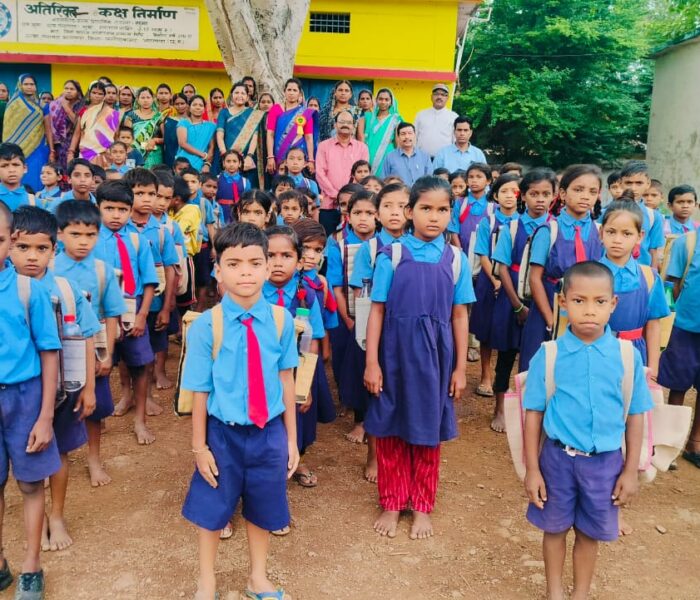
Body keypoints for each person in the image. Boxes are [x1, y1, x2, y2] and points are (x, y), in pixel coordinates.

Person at [180, 222, 299, 600]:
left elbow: (287, 380)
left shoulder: (281, 320)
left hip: (269, 433)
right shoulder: (207, 326)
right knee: (212, 508)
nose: (245, 272)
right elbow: (199, 390)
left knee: (264, 506)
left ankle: (258, 578)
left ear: (267, 267)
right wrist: (199, 447)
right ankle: (207, 581)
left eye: (254, 263)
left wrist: (291, 440)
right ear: (217, 271)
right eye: (233, 264)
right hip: (222, 434)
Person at [523, 261, 652, 600]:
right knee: (554, 529)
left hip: (605, 464)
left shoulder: (627, 357)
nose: (590, 311)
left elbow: (635, 416)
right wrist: (532, 469)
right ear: (563, 302)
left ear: (613, 304)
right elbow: (533, 414)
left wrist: (630, 471)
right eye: (579, 301)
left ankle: (580, 594)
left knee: (589, 533)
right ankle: (554, 592)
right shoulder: (549, 355)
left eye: (599, 301)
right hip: (557, 461)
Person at [363, 176, 473, 539]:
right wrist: (372, 362)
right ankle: (393, 501)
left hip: (435, 360)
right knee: (391, 427)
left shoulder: (455, 259)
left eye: (442, 210)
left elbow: (460, 315)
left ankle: (423, 505)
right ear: (410, 212)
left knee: (428, 430)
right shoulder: (391, 256)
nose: (434, 217)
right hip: (394, 354)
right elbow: (377, 310)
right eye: (426, 208)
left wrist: (460, 368)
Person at [10, 206, 100, 553]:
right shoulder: (7, 290)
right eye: (23, 248)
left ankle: (57, 515)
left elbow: (87, 334)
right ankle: (34, 517)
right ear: (9, 244)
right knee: (25, 457)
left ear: (53, 249)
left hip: (62, 389)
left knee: (59, 452)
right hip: (17, 392)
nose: (32, 257)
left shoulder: (64, 288)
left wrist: (89, 387)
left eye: (41, 248)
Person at [0, 200, 62, 600]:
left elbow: (49, 353)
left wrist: (45, 417)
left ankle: (31, 565)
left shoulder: (28, 290)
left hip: (24, 398)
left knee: (29, 484)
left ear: (10, 240)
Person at [54, 200, 125, 487]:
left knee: (93, 410)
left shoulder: (102, 270)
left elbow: (112, 314)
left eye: (90, 235)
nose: (83, 242)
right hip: (56, 349)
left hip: (92, 347)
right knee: (57, 406)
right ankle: (55, 460)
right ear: (59, 234)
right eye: (75, 234)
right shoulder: (50, 267)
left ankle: (94, 459)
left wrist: (107, 355)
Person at [345, 183, 409, 482]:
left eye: (402, 206)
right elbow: (360, 292)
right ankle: (373, 454)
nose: (395, 213)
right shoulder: (369, 249)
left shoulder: (415, 245)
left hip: (407, 331)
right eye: (387, 207)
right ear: (378, 214)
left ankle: (400, 452)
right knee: (375, 393)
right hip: (375, 329)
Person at [93, 180, 159, 445]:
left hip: (132, 308)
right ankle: (99, 416)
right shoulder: (91, 240)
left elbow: (150, 282)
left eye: (122, 209)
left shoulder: (137, 240)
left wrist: (143, 316)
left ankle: (140, 420)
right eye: (109, 208)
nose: (116, 215)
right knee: (102, 365)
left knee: (140, 365)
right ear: (98, 208)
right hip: (99, 313)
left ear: (130, 211)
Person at [520, 165, 604, 371]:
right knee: (543, 369)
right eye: (578, 189)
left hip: (587, 312)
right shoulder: (549, 230)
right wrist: (551, 319)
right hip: (549, 307)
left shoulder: (600, 231)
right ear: (563, 194)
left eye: (592, 191)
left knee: (580, 370)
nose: (585, 196)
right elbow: (535, 278)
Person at [262, 225, 325, 494]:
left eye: (286, 256)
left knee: (300, 417)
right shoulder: (252, 293)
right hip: (262, 370)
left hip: (300, 370)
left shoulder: (306, 294)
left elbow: (314, 338)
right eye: (270, 255)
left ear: (299, 262)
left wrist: (305, 385)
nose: (278, 263)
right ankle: (269, 465)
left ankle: (298, 459)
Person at [491, 171, 550, 433]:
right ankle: (500, 408)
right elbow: (502, 268)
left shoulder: (553, 228)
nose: (540, 199)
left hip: (543, 299)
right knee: (506, 355)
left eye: (546, 194)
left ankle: (534, 410)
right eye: (534, 194)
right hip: (512, 296)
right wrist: (517, 305)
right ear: (522, 196)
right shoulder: (512, 228)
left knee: (540, 357)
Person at [120, 169, 179, 418]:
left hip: (154, 303)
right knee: (125, 354)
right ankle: (126, 394)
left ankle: (147, 396)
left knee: (149, 353)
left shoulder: (162, 230)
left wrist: (166, 306)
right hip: (124, 303)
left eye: (151, 194)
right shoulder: (119, 227)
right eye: (139, 193)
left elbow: (171, 269)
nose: (147, 199)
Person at [470, 174, 520, 418]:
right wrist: (496, 280)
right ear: (496, 195)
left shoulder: (522, 222)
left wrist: (507, 282)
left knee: (509, 331)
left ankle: (506, 378)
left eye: (514, 191)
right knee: (486, 330)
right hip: (489, 283)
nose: (510, 195)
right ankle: (485, 374)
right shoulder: (487, 222)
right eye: (504, 191)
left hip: (514, 284)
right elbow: (482, 255)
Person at [327, 191, 378, 390]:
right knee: (345, 360)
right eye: (357, 213)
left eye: (369, 213)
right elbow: (337, 289)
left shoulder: (384, 245)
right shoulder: (338, 247)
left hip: (378, 315)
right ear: (348, 216)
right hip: (346, 316)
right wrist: (350, 322)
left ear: (377, 215)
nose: (363, 218)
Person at [658, 228, 700, 468]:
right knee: (678, 384)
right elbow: (672, 283)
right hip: (684, 326)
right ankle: (669, 445)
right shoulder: (688, 242)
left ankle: (694, 443)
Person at [315, 111, 369, 234]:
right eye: (342, 122)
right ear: (335, 125)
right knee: (329, 240)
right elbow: (320, 173)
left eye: (349, 122)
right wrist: (337, 195)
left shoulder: (362, 148)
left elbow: (363, 175)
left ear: (353, 126)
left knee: (353, 240)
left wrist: (349, 197)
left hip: (355, 206)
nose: (345, 125)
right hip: (329, 205)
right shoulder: (323, 146)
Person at [2, 74, 52, 192]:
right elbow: (8, 127)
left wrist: (52, 149)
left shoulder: (41, 105)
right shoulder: (13, 104)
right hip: (16, 149)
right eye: (26, 84)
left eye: (32, 84)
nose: (29, 87)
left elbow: (47, 127)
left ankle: (35, 200)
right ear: (20, 85)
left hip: (38, 148)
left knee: (37, 177)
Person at [616, 160, 664, 269]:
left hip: (641, 270)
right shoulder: (607, 212)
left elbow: (653, 250)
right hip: (611, 271)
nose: (633, 188)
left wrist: (652, 275)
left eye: (639, 183)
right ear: (620, 183)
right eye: (628, 183)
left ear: (648, 184)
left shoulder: (653, 216)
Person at [266, 78, 317, 176]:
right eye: (289, 90)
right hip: (279, 154)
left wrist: (311, 160)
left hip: (299, 155)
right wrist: (270, 156)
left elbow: (308, 137)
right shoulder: (275, 109)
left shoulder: (305, 113)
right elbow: (270, 134)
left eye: (295, 90)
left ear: (299, 93)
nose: (291, 93)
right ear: (284, 92)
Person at [216, 82, 263, 185]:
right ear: (231, 95)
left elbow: (254, 137)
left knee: (246, 186)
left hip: (246, 157)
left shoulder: (253, 114)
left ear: (247, 97)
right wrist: (224, 154)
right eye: (236, 93)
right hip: (226, 156)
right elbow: (219, 135)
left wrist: (249, 156)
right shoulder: (224, 112)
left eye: (243, 93)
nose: (239, 95)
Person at [68, 81, 120, 168]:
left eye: (100, 94)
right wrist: (71, 152)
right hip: (86, 152)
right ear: (89, 94)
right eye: (94, 93)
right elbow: (77, 134)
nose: (97, 96)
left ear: (104, 96)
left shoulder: (112, 114)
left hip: (105, 154)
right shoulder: (83, 111)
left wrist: (116, 152)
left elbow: (116, 135)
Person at [168, 176, 201, 312]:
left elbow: (177, 231)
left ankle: (185, 321)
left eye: (166, 198)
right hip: (170, 258)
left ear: (176, 199)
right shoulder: (170, 211)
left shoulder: (192, 210)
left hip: (185, 258)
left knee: (184, 296)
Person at [357, 88, 402, 176]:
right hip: (368, 154)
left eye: (386, 99)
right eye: (380, 99)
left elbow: (398, 143)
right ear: (376, 100)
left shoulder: (395, 119)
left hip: (387, 154)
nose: (383, 102)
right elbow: (361, 140)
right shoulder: (367, 117)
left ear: (391, 102)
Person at [123, 87, 165, 169]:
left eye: (148, 97)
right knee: (132, 174)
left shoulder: (159, 116)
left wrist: (154, 140)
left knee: (153, 174)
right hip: (134, 152)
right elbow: (125, 137)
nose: (145, 100)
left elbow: (165, 138)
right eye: (142, 98)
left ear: (153, 99)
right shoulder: (131, 115)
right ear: (138, 100)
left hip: (153, 153)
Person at [48, 80, 84, 171]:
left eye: (72, 89)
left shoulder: (82, 105)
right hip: (58, 144)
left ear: (78, 92)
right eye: (66, 88)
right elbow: (50, 125)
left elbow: (78, 123)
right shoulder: (56, 104)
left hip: (75, 144)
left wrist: (66, 107)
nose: (68, 91)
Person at [414, 84, 458, 158]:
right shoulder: (421, 115)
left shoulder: (454, 117)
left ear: (447, 98)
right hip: (421, 158)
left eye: (443, 95)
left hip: (444, 159)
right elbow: (414, 136)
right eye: (436, 94)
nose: (439, 97)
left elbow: (456, 140)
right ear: (431, 97)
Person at [175, 95, 215, 172]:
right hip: (183, 163)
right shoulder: (183, 123)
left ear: (204, 109)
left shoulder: (210, 126)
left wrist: (207, 164)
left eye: (201, 105)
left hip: (200, 164)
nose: (198, 107)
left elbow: (211, 148)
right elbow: (182, 143)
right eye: (194, 105)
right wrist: (202, 155)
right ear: (189, 108)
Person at [217, 149, 250, 224]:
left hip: (238, 213)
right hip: (220, 213)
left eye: (234, 161)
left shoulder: (245, 182)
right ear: (223, 163)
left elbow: (247, 201)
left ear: (240, 163)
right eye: (228, 161)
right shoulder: (217, 179)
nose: (231, 164)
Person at [0, 143, 33, 210]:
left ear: (25, 168)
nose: (11, 170)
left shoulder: (34, 201)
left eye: (15, 165)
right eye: (4, 165)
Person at [163, 93, 189, 168]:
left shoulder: (191, 121)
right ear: (173, 105)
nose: (180, 106)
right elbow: (166, 141)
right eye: (177, 104)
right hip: (170, 155)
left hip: (188, 154)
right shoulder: (168, 121)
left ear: (187, 104)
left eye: (182, 103)